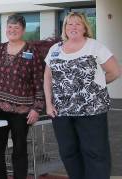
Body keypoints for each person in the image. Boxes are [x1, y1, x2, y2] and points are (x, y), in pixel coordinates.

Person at [44, 12, 120, 179]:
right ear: (65, 28)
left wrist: (95, 84)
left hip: (91, 110)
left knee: (95, 152)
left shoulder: (95, 46)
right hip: (62, 111)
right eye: (69, 24)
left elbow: (115, 71)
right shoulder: (55, 49)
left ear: (85, 27)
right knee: (68, 152)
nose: (73, 27)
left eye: (78, 24)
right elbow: (48, 78)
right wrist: (48, 104)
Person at [0, 14, 44, 179]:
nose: (12, 30)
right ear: (6, 29)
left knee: (19, 150)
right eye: (10, 27)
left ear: (23, 30)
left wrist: (37, 109)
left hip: (22, 111)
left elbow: (39, 81)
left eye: (16, 27)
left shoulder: (31, 51)